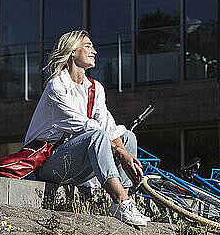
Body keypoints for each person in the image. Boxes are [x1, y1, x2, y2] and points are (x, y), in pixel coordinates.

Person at [25, 29, 149, 226]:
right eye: (88, 46)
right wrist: (120, 153)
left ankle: (125, 199)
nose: (95, 51)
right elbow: (85, 126)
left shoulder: (95, 87)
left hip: (78, 160)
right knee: (97, 135)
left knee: (127, 137)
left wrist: (126, 154)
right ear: (73, 51)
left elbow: (108, 125)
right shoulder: (56, 86)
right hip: (48, 162)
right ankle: (120, 201)